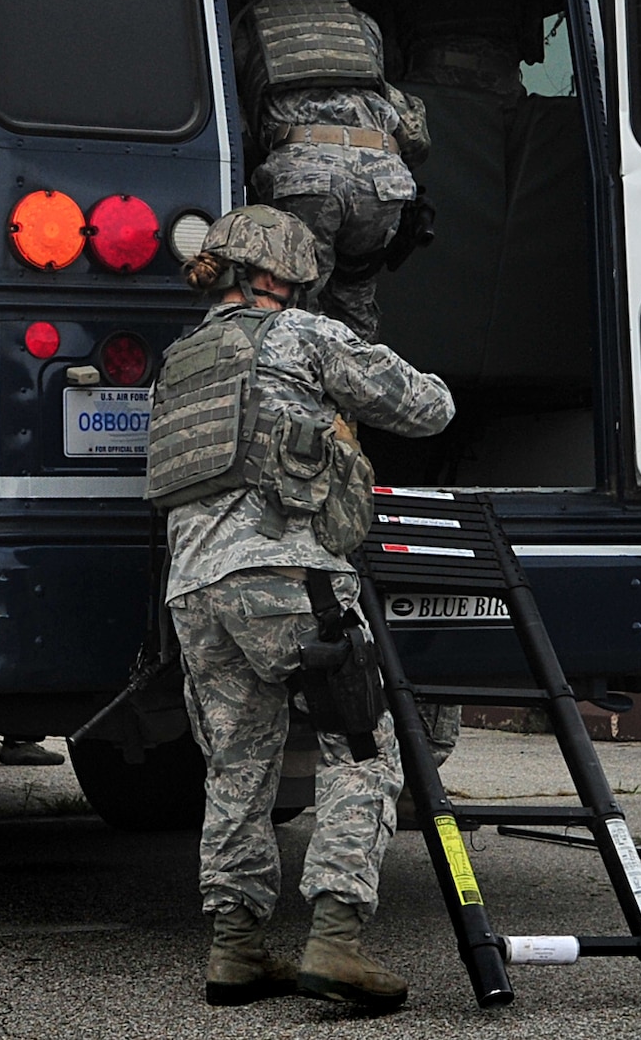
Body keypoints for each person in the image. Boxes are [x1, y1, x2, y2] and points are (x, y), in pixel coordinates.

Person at [144, 205, 455, 1011]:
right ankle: (337, 942)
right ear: (281, 275)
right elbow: (427, 406)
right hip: (289, 578)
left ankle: (236, 948)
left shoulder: (176, 361)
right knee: (365, 745)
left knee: (237, 767)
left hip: (194, 590)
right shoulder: (300, 336)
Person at [231, 0, 431, 343]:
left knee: (295, 303)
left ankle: (300, 391)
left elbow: (238, 126)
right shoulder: (361, 23)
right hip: (383, 177)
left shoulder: (246, 24)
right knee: (355, 297)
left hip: (305, 176)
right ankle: (359, 385)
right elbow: (415, 137)